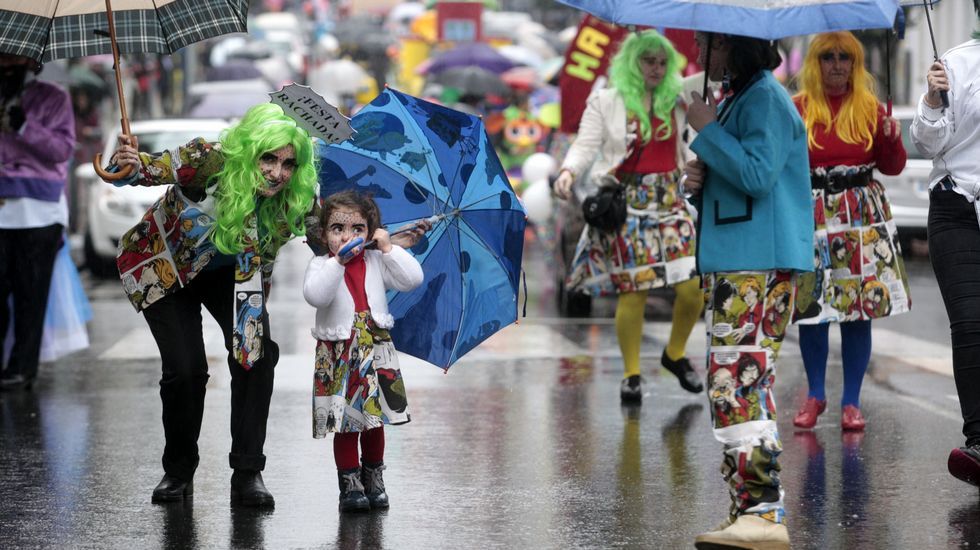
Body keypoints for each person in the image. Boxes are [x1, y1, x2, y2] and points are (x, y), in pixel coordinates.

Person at [106, 103, 319, 507]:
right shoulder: (209, 160)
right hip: (166, 265)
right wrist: (130, 162)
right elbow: (147, 171)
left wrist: (388, 241)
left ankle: (248, 472)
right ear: (249, 151)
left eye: (289, 163)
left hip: (232, 274)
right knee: (186, 371)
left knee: (256, 356)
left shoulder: (297, 195)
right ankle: (178, 471)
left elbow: (334, 237)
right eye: (268, 158)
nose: (277, 173)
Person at [682, 32, 812, 548]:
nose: (699, 54)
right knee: (735, 380)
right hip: (744, 259)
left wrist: (708, 133)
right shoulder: (744, 94)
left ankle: (761, 510)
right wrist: (703, 177)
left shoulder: (764, 98)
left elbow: (758, 175)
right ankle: (750, 509)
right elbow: (746, 179)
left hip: (760, 262)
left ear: (736, 45)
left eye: (707, 45)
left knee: (734, 379)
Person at [553, 30, 704, 403]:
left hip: (670, 200)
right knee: (633, 292)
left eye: (662, 62)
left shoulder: (680, 97)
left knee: (692, 288)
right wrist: (569, 171)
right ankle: (632, 374)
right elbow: (586, 144)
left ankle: (675, 353)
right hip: (628, 203)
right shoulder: (607, 100)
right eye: (648, 60)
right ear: (631, 62)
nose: (656, 68)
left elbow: (714, 80)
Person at [790, 31, 911, 433]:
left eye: (845, 57)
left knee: (860, 311)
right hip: (813, 217)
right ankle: (815, 394)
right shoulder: (798, 109)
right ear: (815, 62)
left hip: (861, 217)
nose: (837, 64)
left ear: (856, 64)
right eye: (828, 57)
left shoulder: (871, 109)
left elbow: (892, 167)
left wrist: (893, 139)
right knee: (813, 311)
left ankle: (851, 401)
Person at [303, 190, 425, 513]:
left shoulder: (376, 259)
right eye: (338, 229)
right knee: (345, 422)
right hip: (339, 353)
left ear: (370, 232)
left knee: (375, 420)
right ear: (324, 233)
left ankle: (374, 477)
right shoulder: (321, 264)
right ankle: (350, 484)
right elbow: (316, 295)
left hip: (375, 347)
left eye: (357, 229)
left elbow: (413, 278)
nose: (347, 236)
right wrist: (338, 262)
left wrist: (389, 249)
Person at [910, 0, 980, 489]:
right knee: (972, 321)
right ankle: (979, 438)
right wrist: (935, 102)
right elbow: (927, 143)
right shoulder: (955, 62)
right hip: (957, 206)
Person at [0, 53, 75, 391]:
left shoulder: (53, 97)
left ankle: (22, 369)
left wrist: (25, 127)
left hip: (39, 211)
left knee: (31, 296)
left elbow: (62, 149)